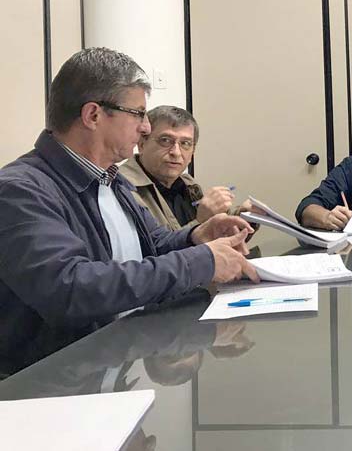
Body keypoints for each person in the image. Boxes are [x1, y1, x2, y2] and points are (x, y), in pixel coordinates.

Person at [0, 48, 259, 359]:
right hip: (52, 378)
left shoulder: (111, 179)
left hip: (118, 359)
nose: (146, 127)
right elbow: (70, 289)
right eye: (138, 113)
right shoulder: (20, 190)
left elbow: (154, 245)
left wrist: (196, 237)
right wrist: (201, 262)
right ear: (93, 115)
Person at [120, 105, 255, 230]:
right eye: (165, 140)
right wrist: (201, 221)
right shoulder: (122, 187)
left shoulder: (188, 184)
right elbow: (153, 246)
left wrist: (245, 216)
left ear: (192, 152)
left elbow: (219, 237)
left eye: (185, 143)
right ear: (142, 144)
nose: (176, 152)